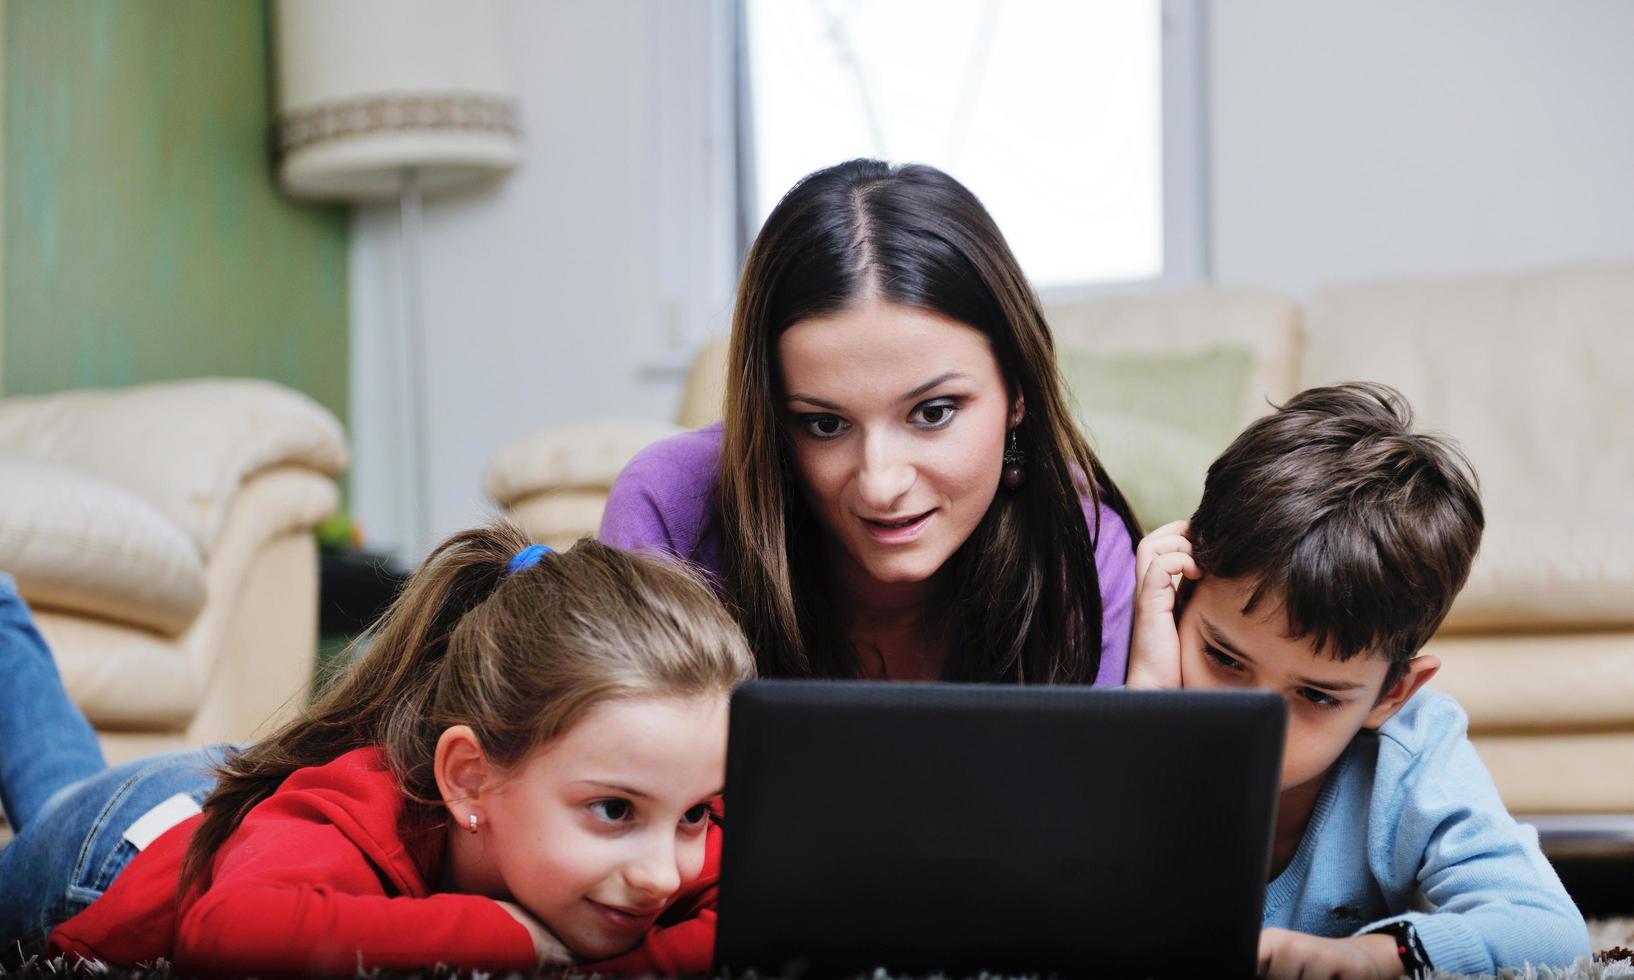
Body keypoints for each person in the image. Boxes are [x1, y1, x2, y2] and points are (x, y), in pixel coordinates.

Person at [0, 527, 755, 976]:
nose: (665, 873)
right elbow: (225, 936)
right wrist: (514, 939)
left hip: (251, 795)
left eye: (694, 814)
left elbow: (773, 913)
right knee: (61, 797)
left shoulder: (645, 798)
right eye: (616, 811)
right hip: (124, 846)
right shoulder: (346, 825)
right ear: (469, 781)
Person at [603, 158, 1141, 686]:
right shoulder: (670, 510)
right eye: (825, 425)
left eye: (932, 414)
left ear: (1018, 393)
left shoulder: (1080, 550)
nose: (880, 485)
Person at [1126, 383, 1590, 979]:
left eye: (1317, 695)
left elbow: (1547, 928)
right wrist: (1145, 712)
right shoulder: (1132, 683)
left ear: (1392, 694)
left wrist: (1374, 956)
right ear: (1180, 599)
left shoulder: (1411, 751)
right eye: (1225, 659)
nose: (1257, 726)